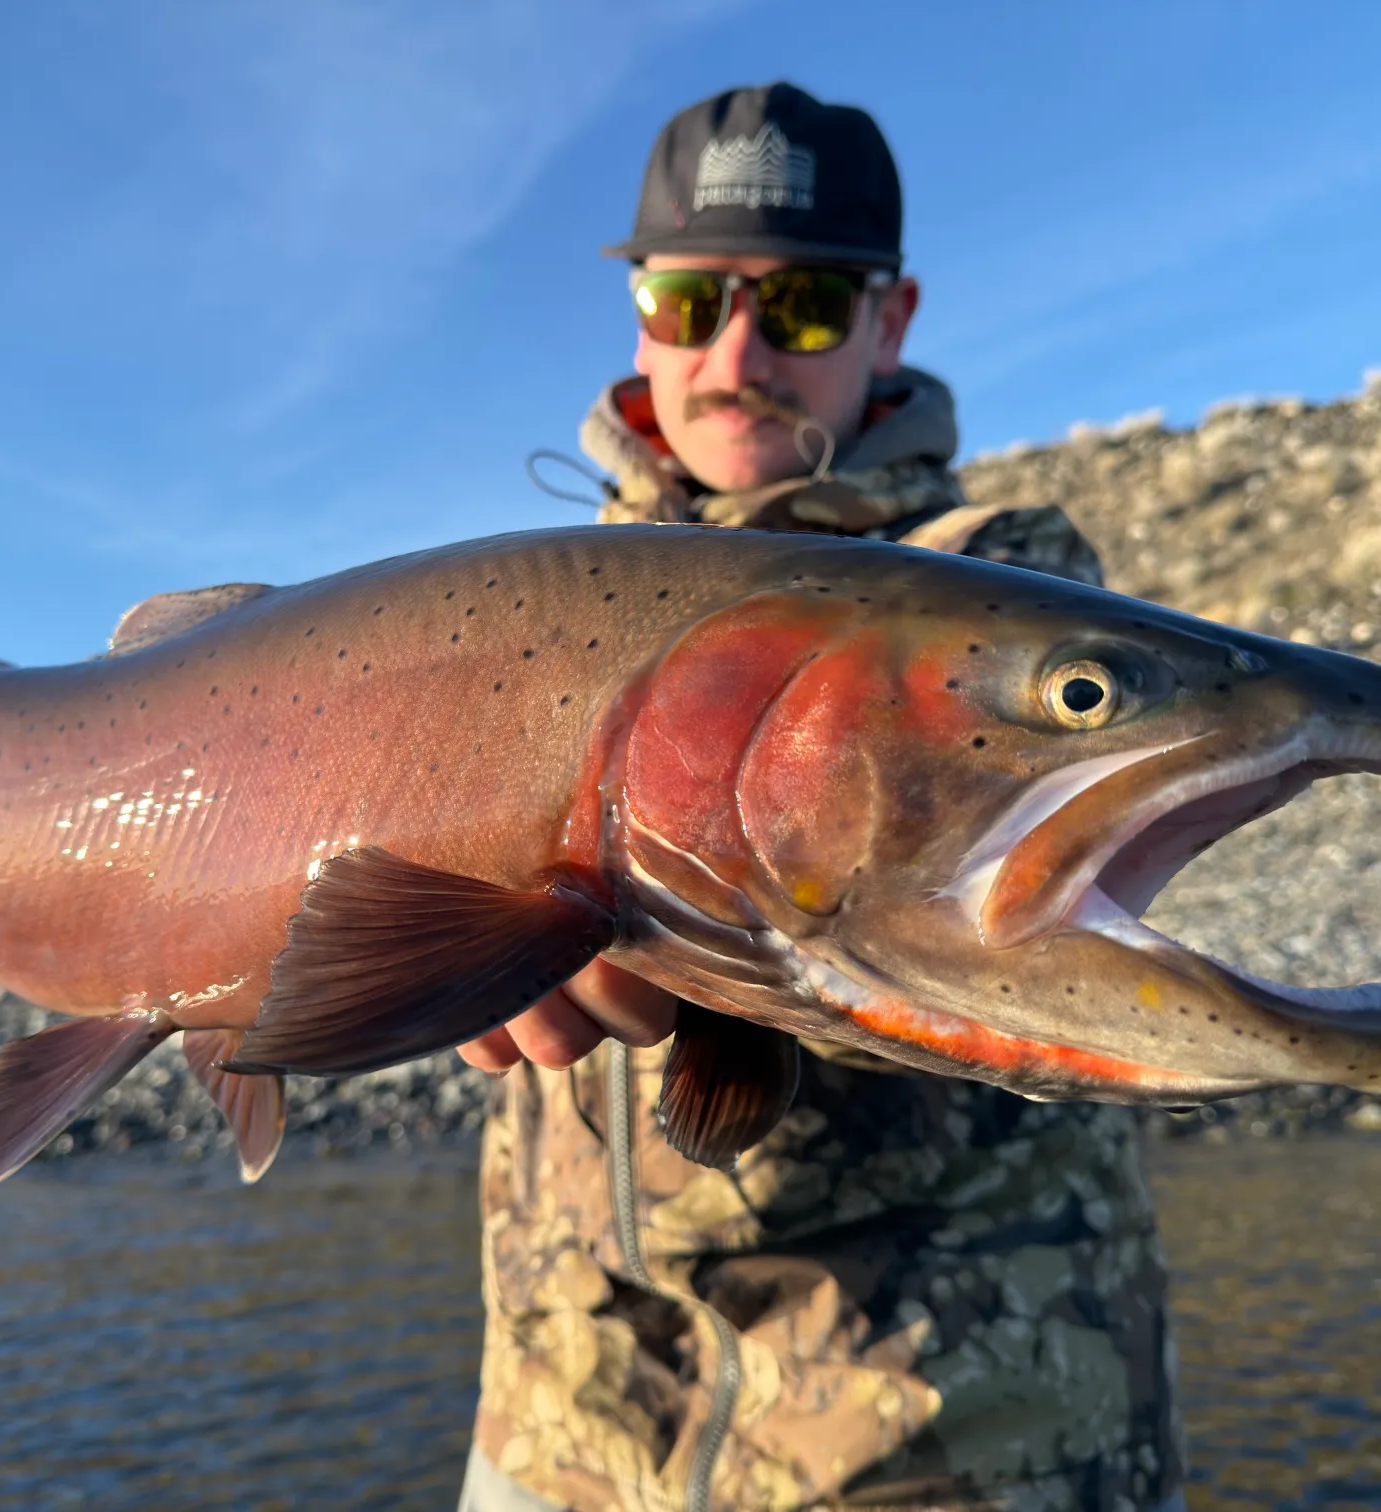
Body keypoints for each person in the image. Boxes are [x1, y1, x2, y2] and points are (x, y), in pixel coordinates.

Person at [457, 83, 1186, 1512]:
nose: (737, 356)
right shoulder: (518, 610)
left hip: (948, 1448)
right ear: (642, 318)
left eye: (798, 308)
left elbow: (1007, 941)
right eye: (689, 300)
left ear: (887, 324)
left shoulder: (1016, 596)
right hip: (558, 1425)